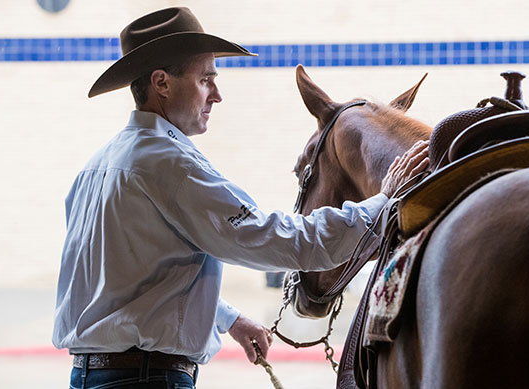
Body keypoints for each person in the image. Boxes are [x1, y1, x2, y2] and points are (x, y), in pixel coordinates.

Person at [52, 6, 429, 389]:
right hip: (147, 379)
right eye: (205, 80)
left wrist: (226, 318)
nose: (216, 95)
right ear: (162, 83)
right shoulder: (170, 164)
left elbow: (129, 284)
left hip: (89, 377)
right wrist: (383, 201)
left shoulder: (98, 165)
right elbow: (281, 239)